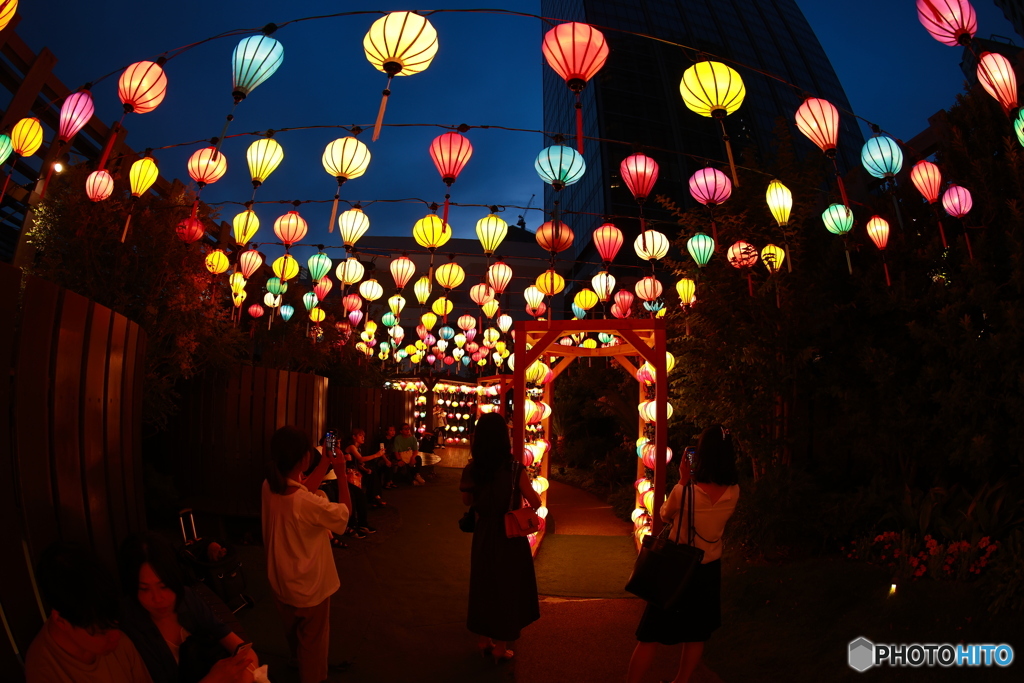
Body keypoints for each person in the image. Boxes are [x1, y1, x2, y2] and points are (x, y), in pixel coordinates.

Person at [626, 425, 741, 683]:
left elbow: (664, 515)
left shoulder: (685, 490)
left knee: (650, 635)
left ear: (701, 456)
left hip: (676, 569)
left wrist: (681, 480)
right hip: (708, 570)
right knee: (696, 634)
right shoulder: (734, 491)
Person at [262, 425, 352, 683]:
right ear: (304, 458)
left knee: (293, 632)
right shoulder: (308, 503)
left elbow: (302, 490)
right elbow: (344, 516)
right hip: (310, 587)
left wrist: (325, 463)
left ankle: (294, 658)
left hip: (280, 580)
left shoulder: (268, 487)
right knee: (313, 645)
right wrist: (343, 475)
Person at [117, 533, 257, 683]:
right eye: (144, 589)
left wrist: (246, 676)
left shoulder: (186, 598)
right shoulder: (128, 630)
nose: (157, 599)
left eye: (164, 586)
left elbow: (244, 651)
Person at [459, 412, 541, 662]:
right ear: (504, 437)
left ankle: (484, 639)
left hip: (484, 532)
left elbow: (467, 500)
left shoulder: (473, 468)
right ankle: (500, 646)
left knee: (484, 583)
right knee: (507, 586)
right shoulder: (515, 466)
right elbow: (535, 501)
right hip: (511, 533)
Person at [25, 541, 155, 683]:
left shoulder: (116, 640)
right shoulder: (45, 672)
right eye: (101, 631)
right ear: (60, 621)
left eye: (115, 623)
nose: (116, 636)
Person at [340, 429, 379, 538]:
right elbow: (361, 458)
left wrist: (365, 469)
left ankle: (360, 523)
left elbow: (358, 462)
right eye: (360, 435)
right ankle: (357, 524)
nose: (363, 438)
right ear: (354, 437)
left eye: (363, 436)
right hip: (349, 475)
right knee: (356, 497)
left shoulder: (357, 448)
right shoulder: (352, 447)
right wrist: (377, 455)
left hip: (355, 474)